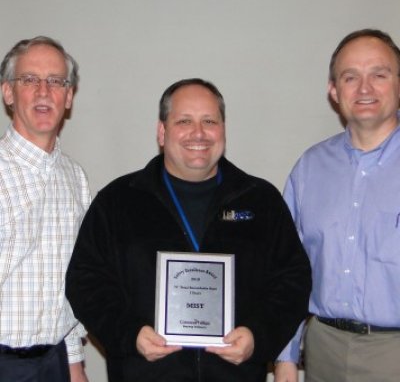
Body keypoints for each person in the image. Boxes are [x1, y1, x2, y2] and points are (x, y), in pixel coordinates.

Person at [66, 78, 311, 382]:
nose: (199, 133)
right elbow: (86, 282)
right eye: (184, 121)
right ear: (162, 131)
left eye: (210, 121)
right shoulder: (118, 201)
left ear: (223, 129)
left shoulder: (261, 201)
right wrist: (130, 334)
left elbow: (293, 281)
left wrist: (257, 337)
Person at [274, 29, 400, 382]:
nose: (364, 88)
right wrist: (285, 358)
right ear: (334, 91)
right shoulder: (309, 168)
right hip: (323, 349)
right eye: (350, 77)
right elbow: (288, 271)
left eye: (379, 74)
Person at [0, 36, 90, 382]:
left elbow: (68, 284)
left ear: (68, 97)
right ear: (8, 92)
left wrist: (74, 364)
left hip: (54, 364)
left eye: (56, 81)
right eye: (29, 79)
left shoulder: (75, 179)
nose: (43, 91)